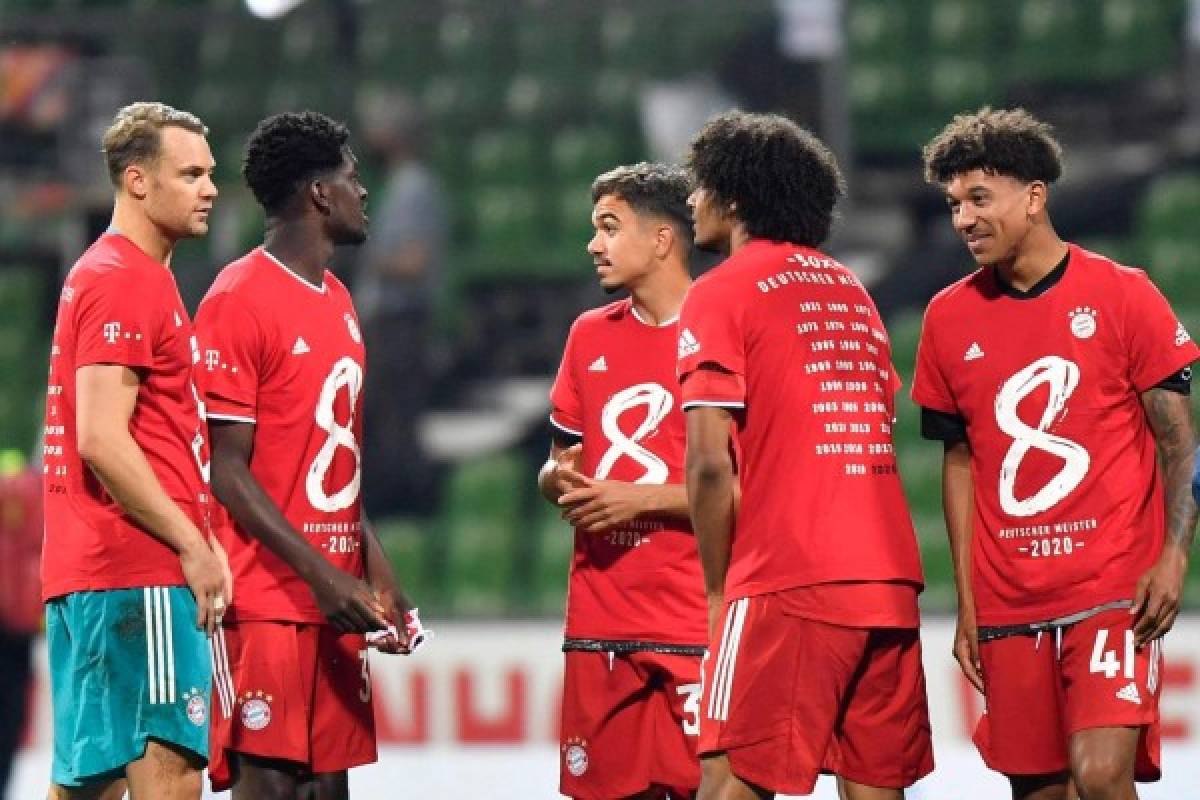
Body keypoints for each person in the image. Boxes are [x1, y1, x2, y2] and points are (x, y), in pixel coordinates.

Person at [913, 107, 1200, 800]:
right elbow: (961, 462)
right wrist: (969, 601)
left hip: (1109, 591)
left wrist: (1173, 556)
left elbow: (1179, 443)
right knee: (1039, 791)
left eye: (980, 199)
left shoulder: (1123, 294)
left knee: (1101, 777)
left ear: (1035, 196)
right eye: (954, 204)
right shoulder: (946, 317)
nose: (964, 220)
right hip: (1010, 600)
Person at [678, 111, 932, 800]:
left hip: (788, 577)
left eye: (700, 186)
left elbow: (707, 463)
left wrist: (714, 589)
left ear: (732, 198)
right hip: (887, 580)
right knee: (874, 786)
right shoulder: (854, 293)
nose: (691, 201)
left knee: (730, 777)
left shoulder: (719, 291)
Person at [196, 111, 425, 800]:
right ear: (320, 195)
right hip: (266, 602)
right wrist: (323, 576)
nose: (365, 194)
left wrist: (377, 575)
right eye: (354, 181)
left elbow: (335, 465)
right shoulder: (238, 298)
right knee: (271, 788)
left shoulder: (341, 301)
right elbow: (226, 469)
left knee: (328, 791)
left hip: (334, 598)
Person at [40, 101, 231, 800]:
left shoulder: (109, 272)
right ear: (137, 181)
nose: (210, 188)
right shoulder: (126, 278)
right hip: (137, 571)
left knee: (88, 787)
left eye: (210, 174)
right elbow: (101, 437)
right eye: (190, 174)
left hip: (92, 572)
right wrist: (192, 544)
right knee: (170, 775)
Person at [539, 162, 707, 799]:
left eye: (610, 227)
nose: (594, 243)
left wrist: (637, 499)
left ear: (662, 239)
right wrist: (559, 482)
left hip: (697, 624)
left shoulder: (727, 330)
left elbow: (760, 495)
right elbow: (558, 465)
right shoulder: (587, 336)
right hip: (600, 621)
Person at [354, 89, 447, 517]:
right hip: (385, 320)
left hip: (399, 321)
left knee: (396, 421)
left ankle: (407, 507)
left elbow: (414, 262)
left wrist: (365, 255)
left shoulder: (415, 187)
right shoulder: (397, 186)